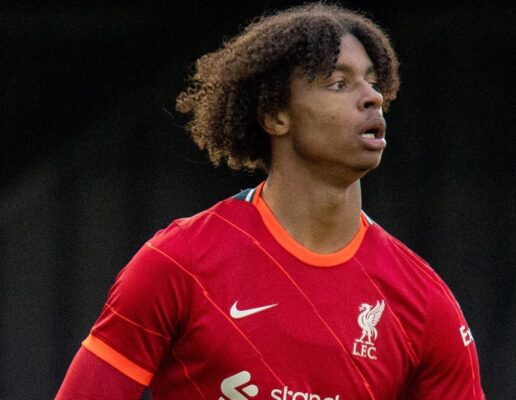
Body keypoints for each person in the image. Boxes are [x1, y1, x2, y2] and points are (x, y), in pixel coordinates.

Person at [56, 3, 485, 399]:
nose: (372, 97)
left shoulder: (425, 301)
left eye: (373, 82)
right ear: (276, 116)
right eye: (339, 83)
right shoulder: (179, 262)